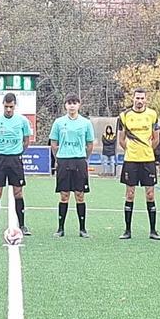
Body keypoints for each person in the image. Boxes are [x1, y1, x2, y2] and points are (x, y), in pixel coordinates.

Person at [0, 93, 34, 236]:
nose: (8, 110)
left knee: (18, 192)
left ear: (15, 106)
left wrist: (17, 152)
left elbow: (26, 140)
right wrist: (1, 152)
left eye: (11, 107)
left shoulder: (22, 121)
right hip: (0, 160)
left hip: (15, 160)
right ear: (3, 105)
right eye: (6, 107)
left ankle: (22, 225)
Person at [117, 89, 160, 241]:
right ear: (133, 98)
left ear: (146, 99)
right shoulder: (124, 116)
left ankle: (153, 230)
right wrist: (131, 150)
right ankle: (127, 230)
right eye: (137, 98)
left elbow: (156, 138)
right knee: (130, 194)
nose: (140, 100)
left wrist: (148, 150)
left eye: (142, 98)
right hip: (130, 161)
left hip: (148, 160)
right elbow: (121, 140)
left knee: (150, 195)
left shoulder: (152, 114)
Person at [50, 94, 95, 238]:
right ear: (65, 105)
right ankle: (60, 228)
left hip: (79, 161)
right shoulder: (58, 122)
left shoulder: (86, 123)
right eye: (69, 103)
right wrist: (59, 157)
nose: (72, 106)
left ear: (79, 105)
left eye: (75, 103)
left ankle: (82, 229)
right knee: (64, 195)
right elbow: (54, 143)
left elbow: (89, 144)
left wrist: (84, 158)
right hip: (64, 160)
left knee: (79, 195)